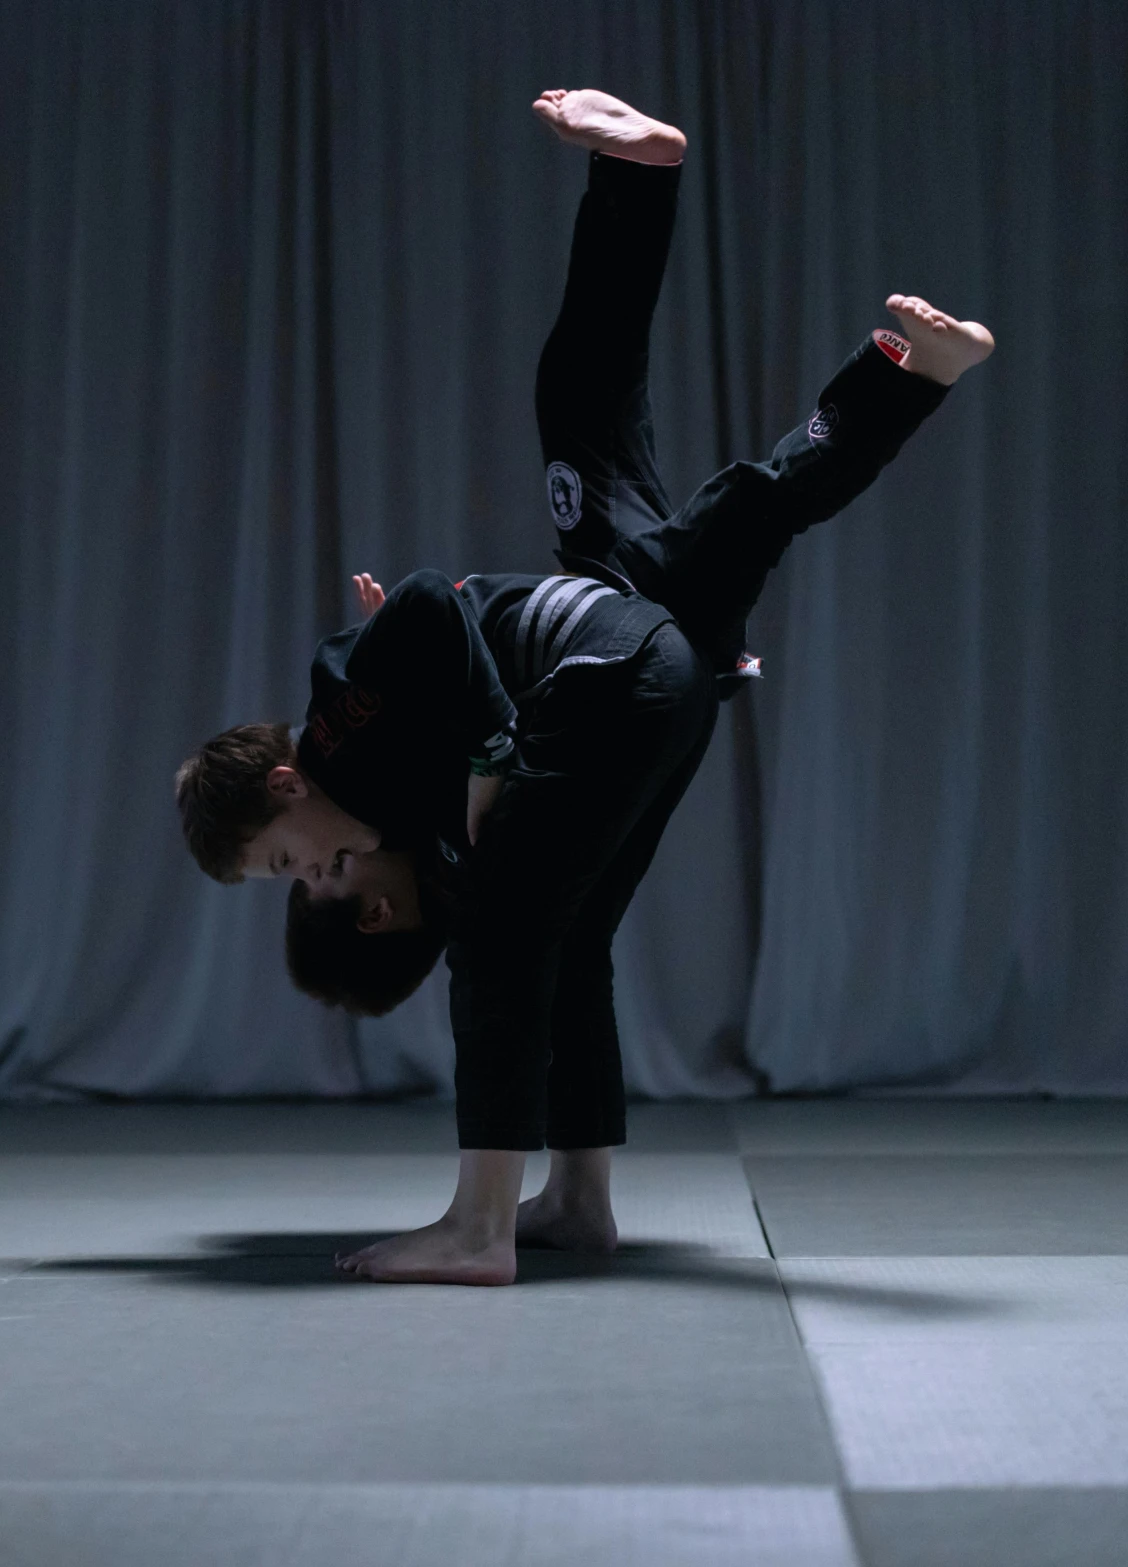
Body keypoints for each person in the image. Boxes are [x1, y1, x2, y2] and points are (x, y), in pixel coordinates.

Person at [173, 89, 993, 1284]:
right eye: (306, 886)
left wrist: (483, 743)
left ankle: (481, 1227)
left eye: (289, 861)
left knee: (512, 938)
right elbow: (435, 651)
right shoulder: (385, 792)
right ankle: (579, 1203)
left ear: (287, 779)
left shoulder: (336, 731)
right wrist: (448, 707)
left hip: (623, 653)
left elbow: (427, 604)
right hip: (644, 652)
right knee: (570, 929)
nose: (314, 874)